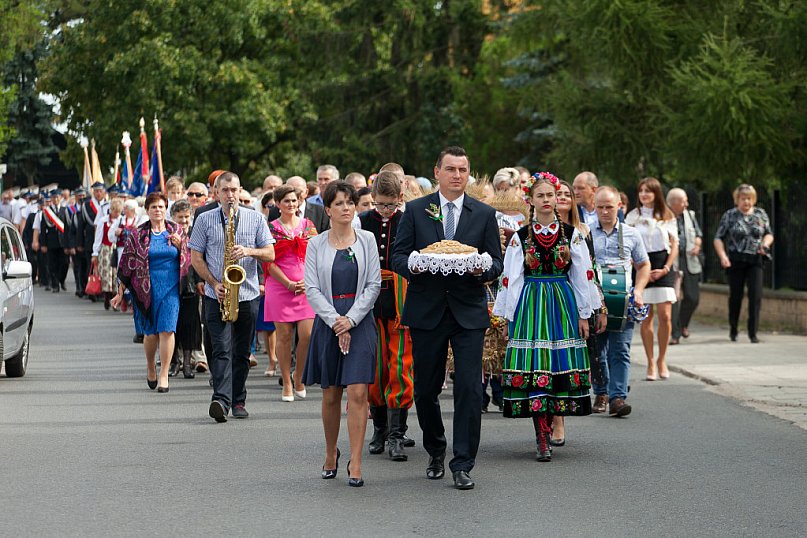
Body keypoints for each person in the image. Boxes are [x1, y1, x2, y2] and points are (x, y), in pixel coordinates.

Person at [391, 146, 503, 490]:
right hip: (427, 311)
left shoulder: (483, 213)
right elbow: (397, 256)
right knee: (425, 390)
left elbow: (496, 265)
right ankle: (436, 450)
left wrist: (481, 267)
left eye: (463, 170)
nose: (458, 175)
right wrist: (417, 263)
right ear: (437, 172)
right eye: (451, 169)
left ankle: (463, 462)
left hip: (468, 312)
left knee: (469, 388)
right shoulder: (414, 210)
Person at [493, 172, 594, 462]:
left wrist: (584, 314)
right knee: (536, 366)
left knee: (556, 367)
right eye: (542, 196)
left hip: (562, 303)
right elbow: (511, 278)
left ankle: (553, 423)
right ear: (531, 200)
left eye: (552, 195)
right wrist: (507, 317)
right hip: (531, 304)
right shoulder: (521, 237)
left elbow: (581, 276)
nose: (548, 200)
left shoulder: (573, 235)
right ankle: (541, 435)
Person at [302, 181, 381, 487]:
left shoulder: (367, 240)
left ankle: (357, 461)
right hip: (328, 322)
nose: (347, 208)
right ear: (328, 210)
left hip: (360, 322)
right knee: (331, 393)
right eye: (340, 203)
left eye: (350, 202)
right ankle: (330, 452)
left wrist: (351, 320)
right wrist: (336, 320)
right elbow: (311, 287)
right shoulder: (316, 244)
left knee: (359, 392)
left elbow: (374, 284)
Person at [189, 171, 275, 422]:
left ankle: (239, 399)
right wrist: (213, 283)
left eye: (234, 190)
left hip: (247, 294)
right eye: (225, 191)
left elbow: (270, 254)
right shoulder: (204, 219)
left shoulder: (255, 219)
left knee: (240, 352)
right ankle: (221, 400)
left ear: (240, 191)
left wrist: (248, 250)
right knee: (221, 349)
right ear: (216, 193)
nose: (230, 195)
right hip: (218, 294)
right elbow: (196, 257)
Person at [358, 171, 416, 461]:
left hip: (400, 301)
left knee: (400, 367)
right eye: (379, 204)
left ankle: (397, 433)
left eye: (390, 205)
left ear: (400, 200)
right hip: (370, 301)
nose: (384, 211)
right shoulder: (363, 221)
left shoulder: (408, 220)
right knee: (375, 367)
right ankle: (379, 428)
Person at [112, 192, 189, 392]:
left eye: (161, 207)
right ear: (147, 210)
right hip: (145, 289)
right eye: (153, 207)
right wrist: (120, 292)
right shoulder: (138, 234)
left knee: (168, 330)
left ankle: (164, 373)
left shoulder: (177, 230)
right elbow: (126, 264)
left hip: (171, 287)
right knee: (151, 334)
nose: (157, 210)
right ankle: (150, 366)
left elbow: (189, 259)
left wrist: (181, 247)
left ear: (166, 209)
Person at [552, 179, 607, 446]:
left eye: (566, 194)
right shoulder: (529, 231)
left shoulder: (581, 231)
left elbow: (591, 271)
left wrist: (599, 306)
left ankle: (562, 416)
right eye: (556, 193)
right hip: (541, 300)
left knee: (567, 360)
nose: (561, 198)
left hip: (574, 301)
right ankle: (545, 418)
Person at [590, 187, 650, 416]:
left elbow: (644, 265)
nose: (605, 211)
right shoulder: (585, 233)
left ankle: (617, 398)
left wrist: (639, 292)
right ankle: (602, 392)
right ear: (594, 207)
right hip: (595, 300)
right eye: (600, 207)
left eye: (609, 207)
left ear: (619, 206)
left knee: (621, 349)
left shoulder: (632, 234)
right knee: (597, 350)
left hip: (622, 301)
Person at [265, 185, 317, 401]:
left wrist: (309, 279)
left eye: (294, 200)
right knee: (284, 336)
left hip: (306, 286)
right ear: (278, 204)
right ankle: (286, 381)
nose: (291, 204)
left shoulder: (308, 225)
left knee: (306, 335)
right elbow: (268, 261)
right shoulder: (271, 228)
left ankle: (299, 375)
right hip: (279, 286)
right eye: (286, 201)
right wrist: (287, 283)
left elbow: (317, 253)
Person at [625, 177, 679, 381]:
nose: (644, 194)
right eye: (641, 191)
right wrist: (637, 266)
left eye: (648, 191)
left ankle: (662, 359)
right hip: (641, 266)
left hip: (662, 265)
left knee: (665, 316)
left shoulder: (667, 215)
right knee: (646, 317)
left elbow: (675, 245)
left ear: (657, 193)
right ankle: (650, 362)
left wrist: (666, 268)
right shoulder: (633, 216)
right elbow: (627, 243)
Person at [713, 184, 773, 343]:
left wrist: (765, 245)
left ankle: (753, 332)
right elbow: (718, 237)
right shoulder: (730, 215)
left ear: (753, 199)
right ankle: (733, 328)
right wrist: (722, 256)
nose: (746, 202)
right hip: (736, 260)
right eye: (743, 199)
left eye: (749, 198)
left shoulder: (761, 214)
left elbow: (769, 234)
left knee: (755, 295)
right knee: (736, 296)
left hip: (755, 259)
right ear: (737, 200)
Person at [167, 200, 202, 378]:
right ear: (173, 217)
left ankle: (188, 363)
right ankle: (174, 362)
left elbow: (198, 259)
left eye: (186, 217)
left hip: (191, 285)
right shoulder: (167, 234)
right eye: (180, 217)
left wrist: (200, 281)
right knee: (172, 325)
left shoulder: (196, 234)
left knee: (189, 325)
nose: (184, 220)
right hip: (171, 285)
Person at [667, 188, 703, 344]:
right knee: (673, 299)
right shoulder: (663, 217)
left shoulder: (690, 215)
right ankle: (675, 335)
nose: (686, 204)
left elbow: (698, 235)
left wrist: (697, 245)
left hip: (689, 259)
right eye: (683, 201)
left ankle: (683, 324)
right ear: (674, 203)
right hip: (672, 261)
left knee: (693, 297)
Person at [92, 198, 124, 309]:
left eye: (119, 212)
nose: (117, 214)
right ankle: (106, 297)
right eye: (115, 211)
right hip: (105, 250)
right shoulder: (103, 220)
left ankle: (116, 298)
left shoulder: (122, 221)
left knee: (116, 274)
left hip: (117, 249)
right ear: (111, 210)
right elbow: (98, 237)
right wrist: (95, 253)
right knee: (106, 275)